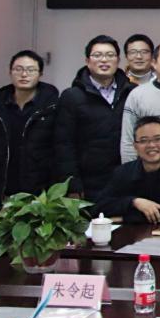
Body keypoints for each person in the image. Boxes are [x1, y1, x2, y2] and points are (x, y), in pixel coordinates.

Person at [0, 51, 59, 215]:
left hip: (43, 196)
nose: (24, 74)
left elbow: (62, 149)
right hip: (5, 194)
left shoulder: (53, 106)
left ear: (40, 73)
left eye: (31, 70)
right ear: (10, 72)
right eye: (18, 69)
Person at [54, 34, 136, 199]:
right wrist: (72, 183)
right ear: (87, 61)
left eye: (110, 55)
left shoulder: (132, 92)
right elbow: (64, 144)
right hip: (87, 182)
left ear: (118, 60)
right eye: (97, 55)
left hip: (125, 177)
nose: (104, 60)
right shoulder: (72, 96)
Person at [94, 116, 160, 225]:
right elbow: (100, 207)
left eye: (158, 139)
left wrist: (124, 218)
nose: (151, 145)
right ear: (135, 146)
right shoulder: (123, 172)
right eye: (143, 140)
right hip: (130, 234)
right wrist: (134, 202)